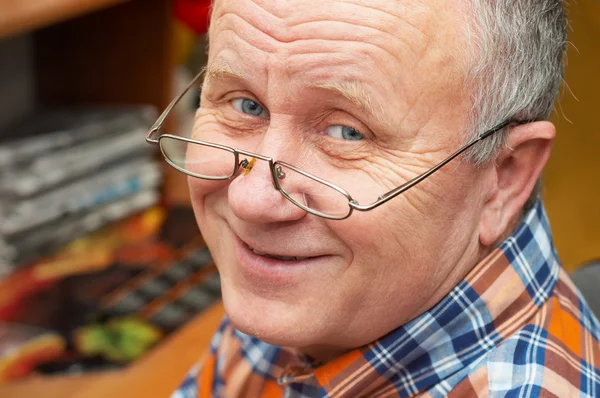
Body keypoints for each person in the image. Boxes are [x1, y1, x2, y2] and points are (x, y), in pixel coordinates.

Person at [147, 0, 600, 396]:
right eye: (246, 105)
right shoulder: (336, 293)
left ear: (504, 177)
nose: (251, 199)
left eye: (347, 133)